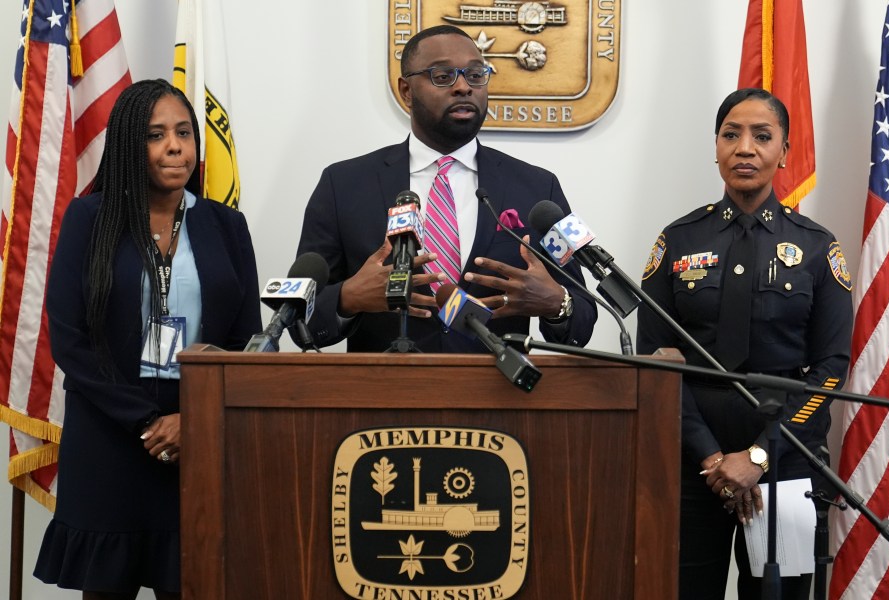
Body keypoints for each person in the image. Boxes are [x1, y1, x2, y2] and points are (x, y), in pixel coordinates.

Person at [33, 79, 262, 599]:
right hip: (109, 433)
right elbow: (69, 339)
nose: (175, 146)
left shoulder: (226, 225)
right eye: (156, 135)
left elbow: (246, 337)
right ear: (129, 144)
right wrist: (147, 421)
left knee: (193, 582)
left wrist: (192, 418)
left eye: (184, 133)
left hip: (198, 434)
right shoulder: (89, 219)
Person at [637, 88, 852, 599]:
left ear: (785, 152)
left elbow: (830, 368)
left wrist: (756, 457)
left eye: (762, 136)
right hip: (693, 464)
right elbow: (655, 359)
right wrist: (712, 459)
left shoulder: (817, 247)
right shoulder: (679, 240)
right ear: (715, 148)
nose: (745, 148)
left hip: (785, 459)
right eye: (731, 135)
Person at [296, 25, 597, 352]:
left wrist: (557, 304)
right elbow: (298, 319)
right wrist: (348, 298)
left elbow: (582, 313)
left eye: (475, 74)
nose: (463, 87)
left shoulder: (538, 188)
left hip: (499, 395)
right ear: (406, 91)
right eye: (443, 76)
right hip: (383, 395)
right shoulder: (344, 185)